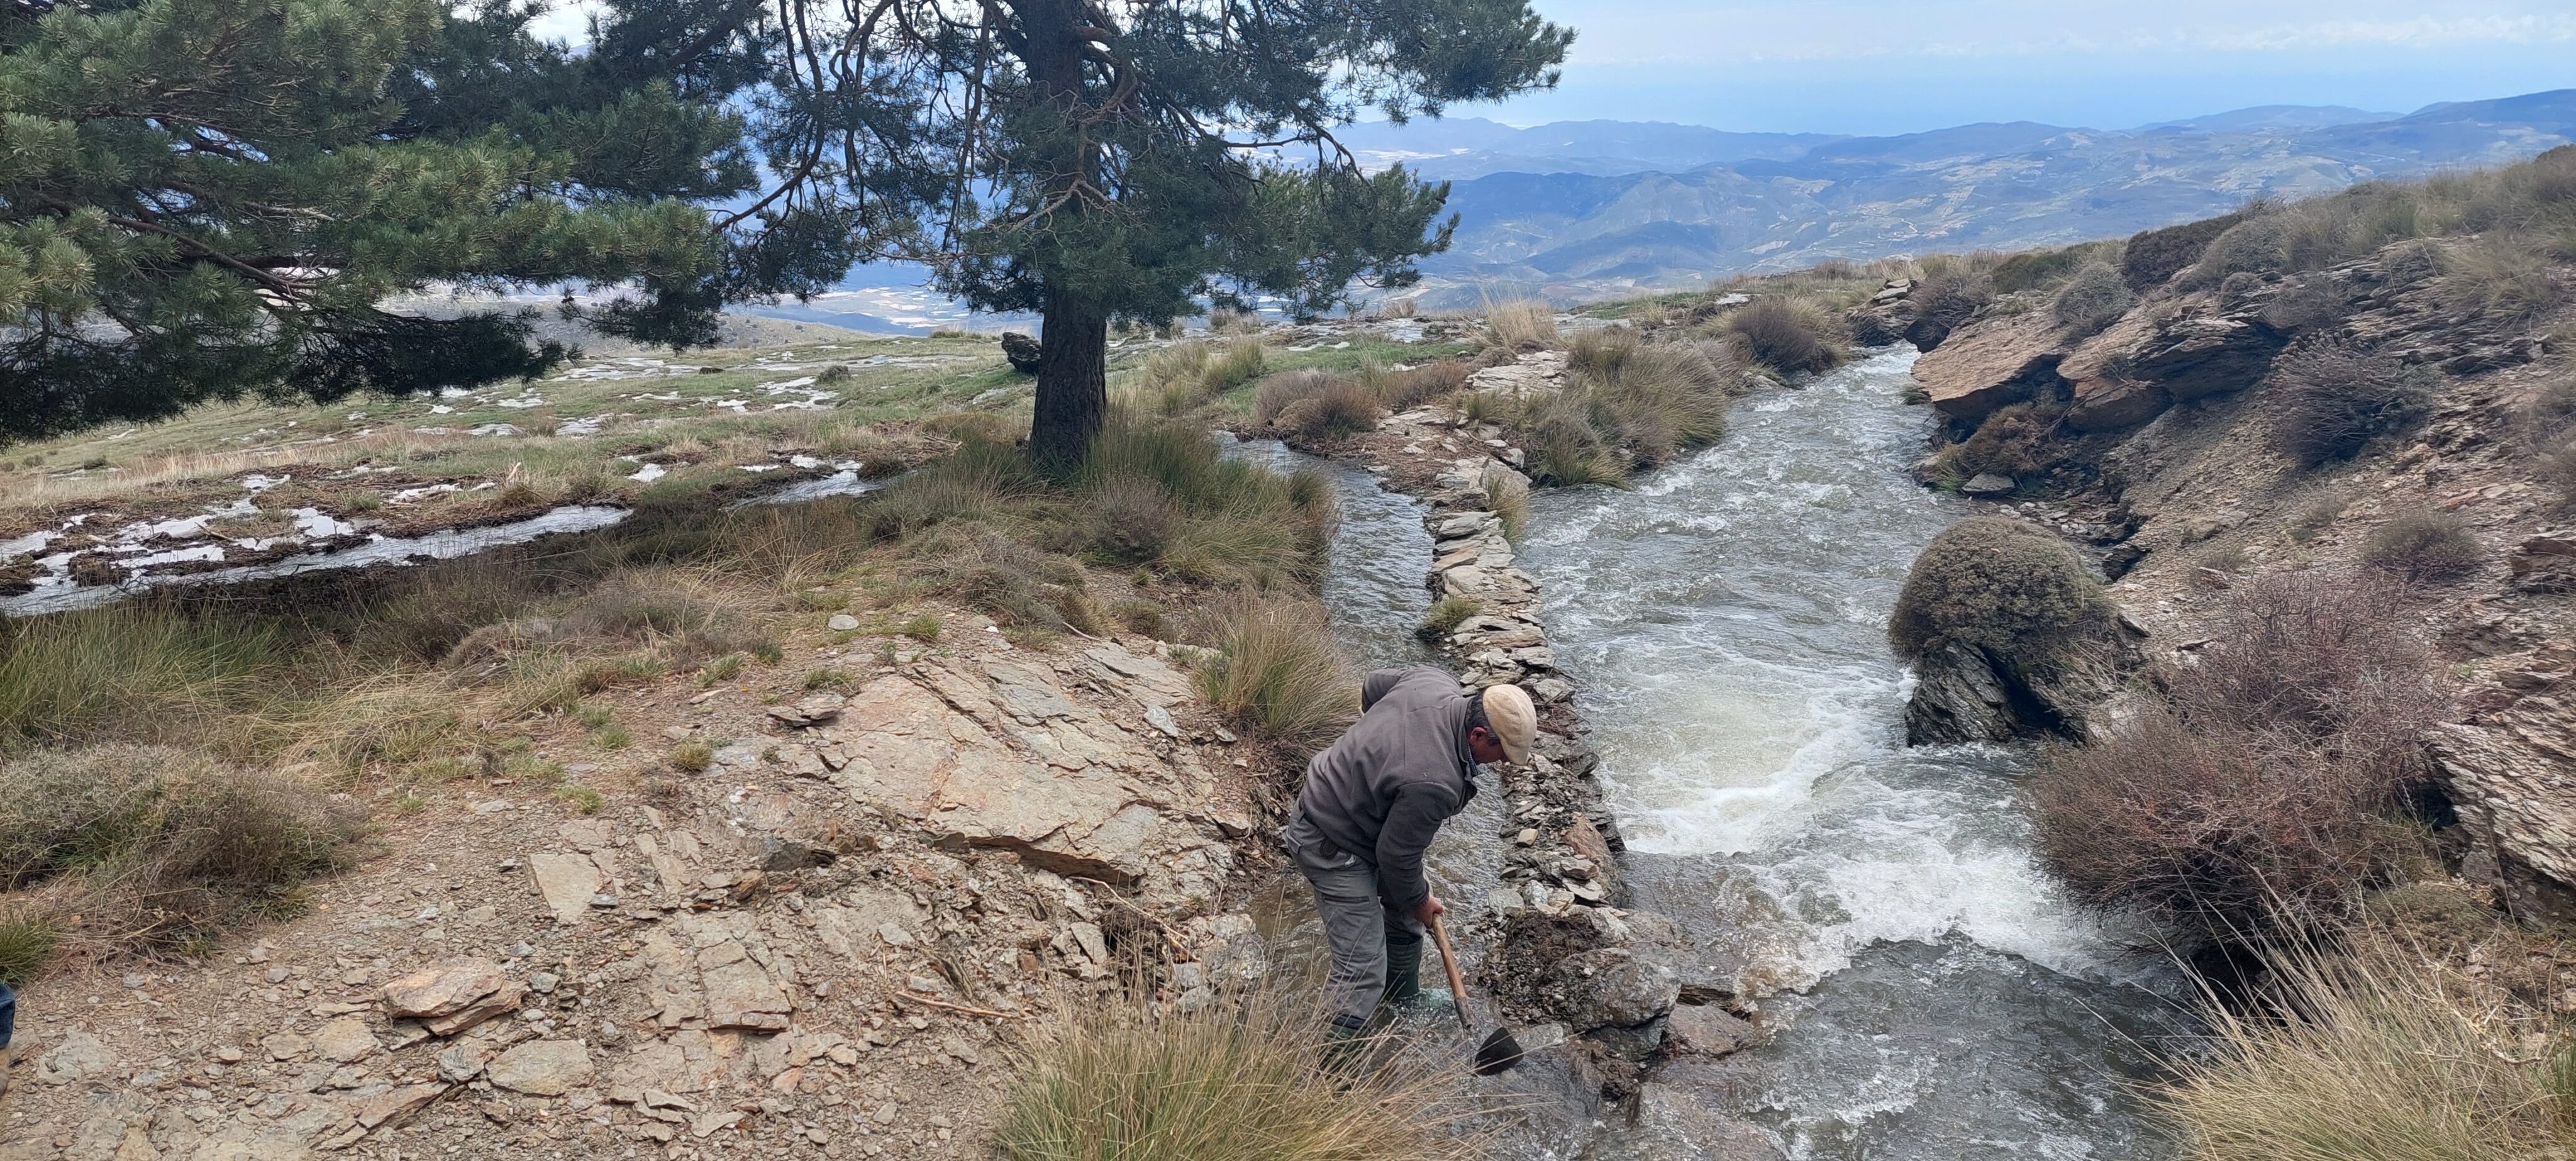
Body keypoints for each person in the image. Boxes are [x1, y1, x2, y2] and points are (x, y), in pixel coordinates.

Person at [1283, 666, 1536, 1043]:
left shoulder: (1434, 681)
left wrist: (1377, 750)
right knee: (1362, 970)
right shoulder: (1435, 782)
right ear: (1479, 734)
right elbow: (1397, 858)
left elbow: (1371, 687)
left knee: (1406, 908)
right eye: (1500, 755)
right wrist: (1419, 899)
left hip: (1358, 820)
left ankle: (1402, 998)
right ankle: (1331, 1075)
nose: (1500, 765)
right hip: (1330, 843)